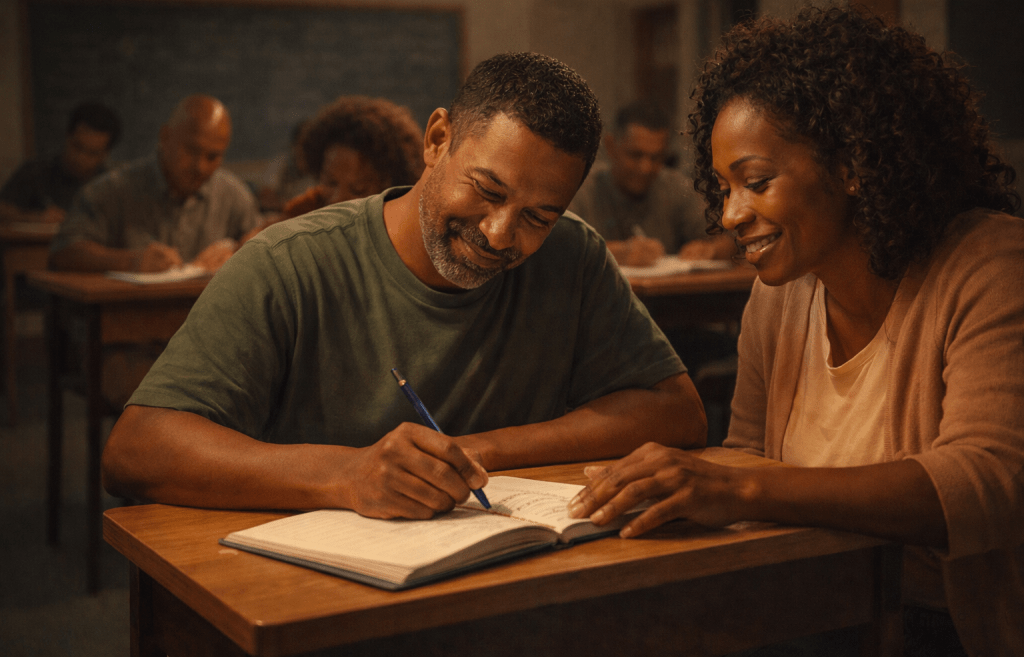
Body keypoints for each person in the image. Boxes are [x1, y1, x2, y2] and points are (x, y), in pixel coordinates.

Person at [568, 7, 1023, 656]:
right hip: (815, 604)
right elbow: (750, 454)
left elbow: (988, 484)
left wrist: (732, 484)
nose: (729, 215)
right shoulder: (777, 300)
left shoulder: (991, 265)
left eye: (756, 182)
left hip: (940, 627)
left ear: (852, 163)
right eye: (722, 188)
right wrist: (663, 481)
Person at [100, 52, 706, 521]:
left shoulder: (573, 255)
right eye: (488, 191)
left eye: (538, 217)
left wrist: (482, 451)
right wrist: (347, 475)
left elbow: (676, 412)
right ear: (436, 139)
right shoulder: (289, 263)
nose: (499, 235)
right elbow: (137, 449)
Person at [48, 94, 261, 274]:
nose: (201, 167)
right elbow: (63, 251)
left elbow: (259, 250)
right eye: (191, 151)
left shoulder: (234, 195)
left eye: (213, 156)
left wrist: (240, 253)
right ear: (165, 137)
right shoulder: (110, 191)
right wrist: (130, 261)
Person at [569, 101, 734, 267]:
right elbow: (556, 249)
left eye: (656, 158)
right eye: (635, 155)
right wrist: (613, 253)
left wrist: (710, 250)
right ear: (610, 146)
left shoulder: (676, 187)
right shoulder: (580, 189)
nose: (645, 168)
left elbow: (730, 242)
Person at [281, 95, 424, 218]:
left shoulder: (407, 231)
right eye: (330, 183)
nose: (337, 199)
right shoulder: (300, 216)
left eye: (358, 189)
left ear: (390, 188)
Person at [0, 102, 121, 223]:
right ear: (67, 137)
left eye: (92, 153)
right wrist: (34, 217)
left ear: (106, 154)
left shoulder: (111, 185)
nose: (81, 158)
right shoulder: (35, 172)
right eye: (77, 146)